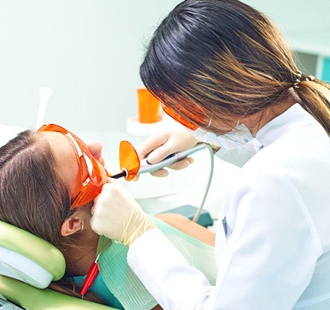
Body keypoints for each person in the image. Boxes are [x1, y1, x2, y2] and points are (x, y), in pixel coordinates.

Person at [90, 0, 330, 309]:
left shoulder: (272, 184)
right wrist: (208, 137)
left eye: (183, 111)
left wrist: (138, 235)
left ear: (211, 98)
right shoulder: (314, 109)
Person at [0, 124, 217, 310]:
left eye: (77, 140)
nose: (97, 146)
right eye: (84, 162)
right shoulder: (134, 281)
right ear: (73, 223)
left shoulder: (85, 267)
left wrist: (213, 135)